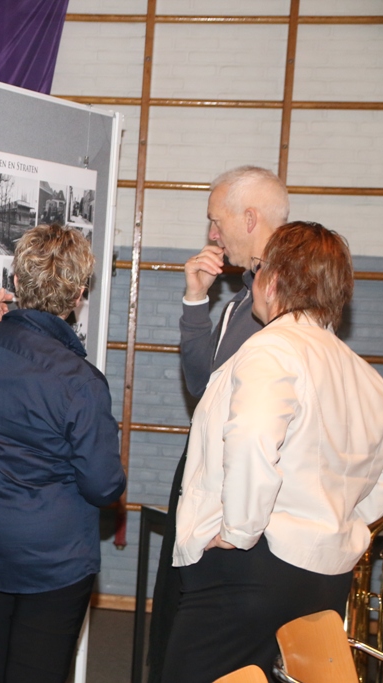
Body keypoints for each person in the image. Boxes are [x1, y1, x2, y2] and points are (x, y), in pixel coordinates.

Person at [160, 222, 383, 682]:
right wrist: (341, 515)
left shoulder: (271, 349)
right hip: (323, 574)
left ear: (273, 281)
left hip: (253, 566)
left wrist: (238, 530)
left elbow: (253, 436)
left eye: (260, 270)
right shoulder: (362, 373)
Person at [0, 223, 127, 683]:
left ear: (18, 282)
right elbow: (103, 487)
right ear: (78, 294)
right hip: (48, 555)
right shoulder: (81, 381)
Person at [148, 165, 290, 680]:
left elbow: (259, 429)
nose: (212, 234)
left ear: (249, 219)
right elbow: (200, 382)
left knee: (216, 650)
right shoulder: (241, 301)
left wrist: (237, 523)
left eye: (217, 220)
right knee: (179, 624)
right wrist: (195, 299)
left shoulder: (284, 302)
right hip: (210, 475)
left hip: (243, 490)